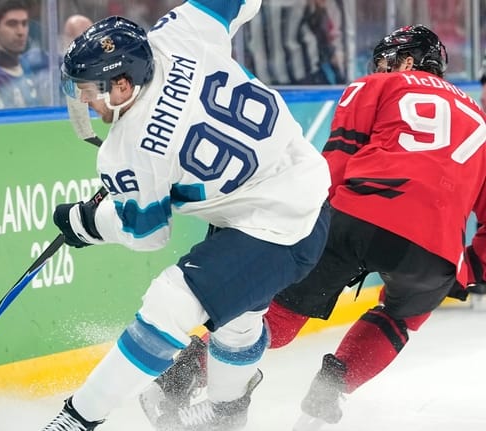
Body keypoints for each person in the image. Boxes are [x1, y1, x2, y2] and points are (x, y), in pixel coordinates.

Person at [140, 24, 486, 431]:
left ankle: (176, 382)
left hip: (355, 214)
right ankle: (323, 401)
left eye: (389, 60)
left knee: (278, 319)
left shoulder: (375, 86)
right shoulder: (481, 121)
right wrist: (469, 270)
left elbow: (336, 159)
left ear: (409, 61)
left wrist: (306, 219)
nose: (382, 67)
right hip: (435, 248)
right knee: (402, 317)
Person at [41, 0, 332, 429]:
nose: (85, 100)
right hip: (297, 186)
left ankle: (76, 419)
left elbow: (147, 234)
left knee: (171, 302)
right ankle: (227, 414)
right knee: (237, 319)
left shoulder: (128, 151)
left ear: (122, 85)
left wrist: (86, 223)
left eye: (89, 89)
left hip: (278, 224)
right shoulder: (178, 31)